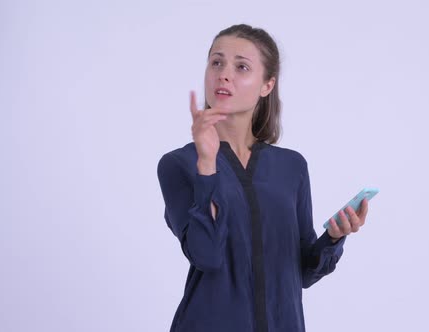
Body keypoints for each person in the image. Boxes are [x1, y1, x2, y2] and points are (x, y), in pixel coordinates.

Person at [157, 24, 369, 332]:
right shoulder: (179, 165)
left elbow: (302, 273)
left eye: (241, 66)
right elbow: (206, 255)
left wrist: (335, 237)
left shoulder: (291, 167)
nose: (224, 73)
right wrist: (207, 162)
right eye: (216, 62)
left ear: (267, 85)